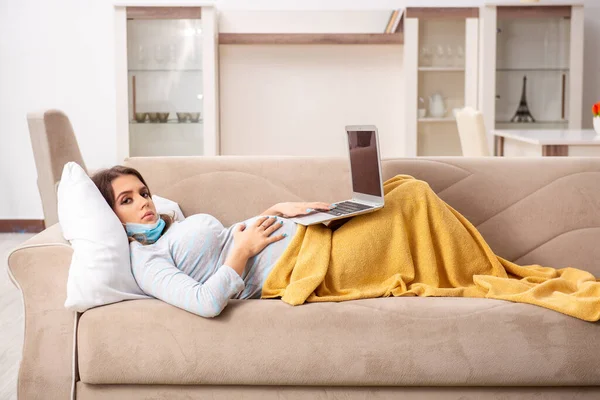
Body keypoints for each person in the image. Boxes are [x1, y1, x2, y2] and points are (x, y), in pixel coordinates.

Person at [91, 165, 335, 318]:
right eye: (126, 200)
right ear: (109, 215)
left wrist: (275, 211)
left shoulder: (170, 229)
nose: (144, 202)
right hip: (303, 263)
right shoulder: (145, 259)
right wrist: (243, 250)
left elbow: (227, 240)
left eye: (144, 193)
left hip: (310, 235)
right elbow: (206, 302)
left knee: (369, 212)